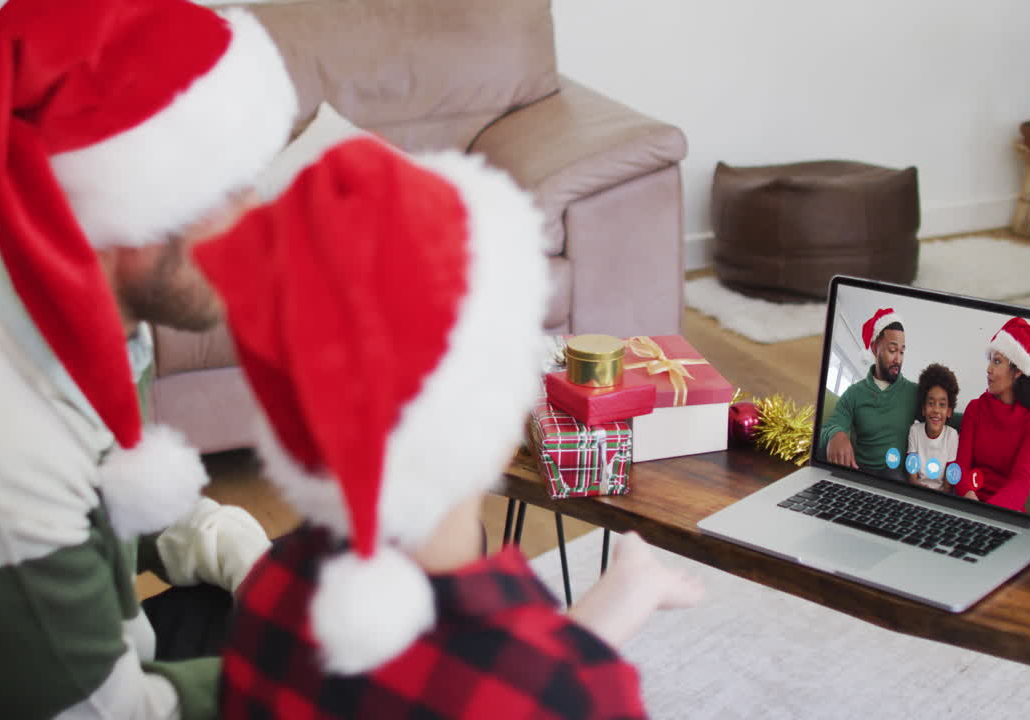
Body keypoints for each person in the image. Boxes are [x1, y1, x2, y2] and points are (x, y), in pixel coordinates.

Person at [196, 136, 703, 719]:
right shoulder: (577, 694)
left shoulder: (269, 593)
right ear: (503, 416)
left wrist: (616, 605)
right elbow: (535, 685)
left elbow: (495, 670)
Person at [0, 0, 297, 716]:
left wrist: (252, 562)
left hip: (95, 650)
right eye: (227, 190)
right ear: (130, 207)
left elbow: (122, 484)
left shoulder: (45, 286)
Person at [952, 317, 1030, 511]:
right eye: (990, 360)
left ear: (1018, 371)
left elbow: (1020, 484)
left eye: (997, 362)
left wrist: (987, 514)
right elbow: (961, 466)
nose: (988, 369)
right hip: (968, 503)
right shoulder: (975, 409)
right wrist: (968, 496)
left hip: (1004, 512)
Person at [820, 307, 919, 482]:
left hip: (895, 480)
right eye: (892, 350)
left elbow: (945, 414)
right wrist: (836, 434)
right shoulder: (854, 393)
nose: (898, 359)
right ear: (874, 348)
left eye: (902, 351)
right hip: (860, 474)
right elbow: (831, 426)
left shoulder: (914, 393)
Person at [906, 363, 960, 491]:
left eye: (942, 405)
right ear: (923, 409)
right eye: (931, 403)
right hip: (917, 490)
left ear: (949, 412)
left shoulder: (952, 435)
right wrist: (918, 488)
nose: (936, 409)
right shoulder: (915, 430)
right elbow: (912, 477)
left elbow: (948, 483)